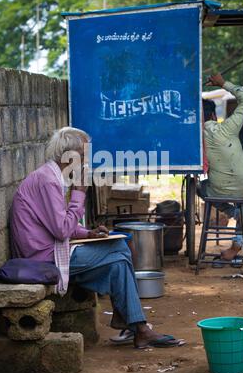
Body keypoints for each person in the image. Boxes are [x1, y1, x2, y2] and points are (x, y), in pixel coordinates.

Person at [10, 126, 184, 349]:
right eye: (84, 157)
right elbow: (61, 230)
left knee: (118, 264)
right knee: (121, 248)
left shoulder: (51, 177)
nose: (85, 163)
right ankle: (133, 324)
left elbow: (60, 225)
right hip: (42, 258)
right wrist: (79, 193)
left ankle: (138, 328)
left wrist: (88, 233)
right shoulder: (48, 181)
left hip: (52, 250)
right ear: (69, 156)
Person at [198, 73, 243, 262]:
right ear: (214, 115)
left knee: (200, 187)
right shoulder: (228, 127)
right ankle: (237, 241)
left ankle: (235, 214)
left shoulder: (195, 139)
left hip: (218, 190)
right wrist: (222, 83)